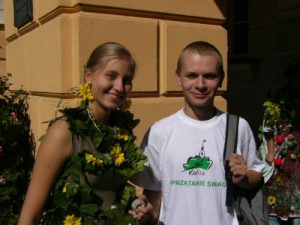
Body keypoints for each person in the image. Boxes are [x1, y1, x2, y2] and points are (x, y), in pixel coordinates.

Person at [130, 41, 265, 225]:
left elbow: (257, 175)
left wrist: (245, 178)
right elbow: (153, 194)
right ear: (178, 77)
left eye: (209, 76)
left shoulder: (238, 127)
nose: (200, 84)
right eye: (192, 75)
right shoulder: (159, 131)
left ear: (221, 78)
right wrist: (147, 214)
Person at [18, 42, 147, 225]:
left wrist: (134, 203)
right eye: (111, 76)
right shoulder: (65, 132)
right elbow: (30, 214)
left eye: (127, 80)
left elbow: (110, 188)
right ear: (89, 76)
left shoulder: (120, 132)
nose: (119, 87)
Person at [259, 59, 300, 225]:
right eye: (296, 77)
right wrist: (270, 151)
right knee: (278, 195)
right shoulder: (279, 97)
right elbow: (268, 127)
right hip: (282, 155)